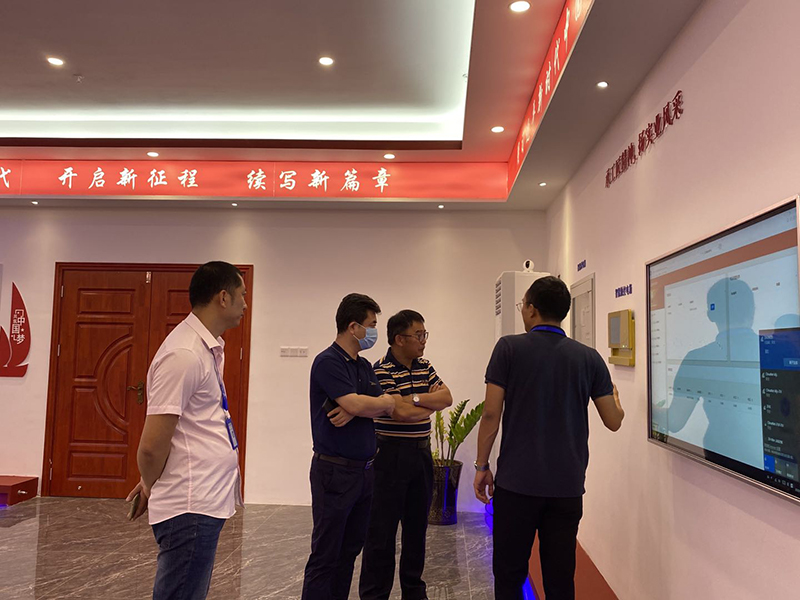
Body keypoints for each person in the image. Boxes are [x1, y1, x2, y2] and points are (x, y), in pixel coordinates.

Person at [472, 276, 624, 600]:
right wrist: (617, 400)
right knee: (559, 579)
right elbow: (613, 421)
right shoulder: (589, 358)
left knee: (509, 574)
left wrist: (481, 465)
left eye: (522, 305)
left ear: (531, 309)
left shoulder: (508, 348)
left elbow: (490, 414)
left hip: (516, 485)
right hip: (566, 487)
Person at [126, 261, 247, 600]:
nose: (245, 304)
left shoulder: (206, 347)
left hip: (201, 501)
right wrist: (149, 482)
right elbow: (151, 445)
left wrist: (152, 479)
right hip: (190, 506)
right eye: (242, 295)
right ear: (223, 297)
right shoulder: (184, 354)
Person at [301, 293, 398, 600]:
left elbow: (387, 404)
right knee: (326, 554)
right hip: (335, 472)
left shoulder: (364, 366)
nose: (374, 332)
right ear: (353, 327)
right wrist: (360, 405)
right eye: (372, 324)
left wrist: (360, 407)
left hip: (364, 473)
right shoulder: (328, 362)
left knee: (349, 552)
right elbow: (363, 403)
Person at [360, 309, 454, 600]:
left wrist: (413, 399)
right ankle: (375, 594)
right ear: (399, 339)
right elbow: (399, 413)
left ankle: (414, 592)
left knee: (416, 529)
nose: (423, 340)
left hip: (420, 455)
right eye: (419, 335)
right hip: (389, 456)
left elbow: (446, 397)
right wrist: (425, 405)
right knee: (381, 532)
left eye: (425, 334)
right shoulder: (380, 370)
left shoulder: (425, 366)